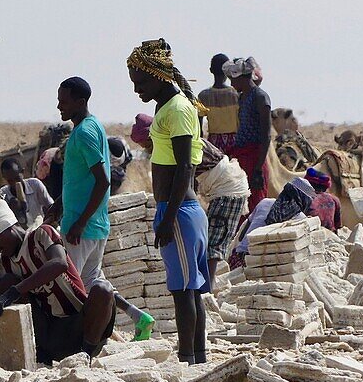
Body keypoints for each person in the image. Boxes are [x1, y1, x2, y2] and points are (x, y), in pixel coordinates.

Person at [127, 39, 211, 364]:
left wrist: (166, 218)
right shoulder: (167, 107)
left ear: (157, 74)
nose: (137, 89)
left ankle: (188, 360)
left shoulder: (176, 109)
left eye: (140, 81)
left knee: (182, 292)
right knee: (189, 290)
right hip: (177, 210)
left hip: (180, 212)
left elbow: (185, 167)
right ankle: (197, 359)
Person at [52, 76, 154, 340]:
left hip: (82, 227)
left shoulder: (85, 133)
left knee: (69, 286)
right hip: (91, 223)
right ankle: (138, 317)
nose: (59, 106)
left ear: (80, 101)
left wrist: (80, 221)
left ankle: (81, 339)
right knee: (93, 282)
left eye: (64, 101)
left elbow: (102, 180)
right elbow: (80, 179)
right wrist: (59, 205)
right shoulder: (92, 125)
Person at [0, 193, 116, 363]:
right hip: (49, 336)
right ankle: (37, 351)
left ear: (8, 227)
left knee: (103, 290)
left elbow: (59, 263)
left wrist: (16, 291)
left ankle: (86, 357)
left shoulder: (42, 235)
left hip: (81, 326)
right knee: (5, 283)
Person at [132, 114, 248, 284]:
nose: (149, 150)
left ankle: (207, 288)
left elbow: (185, 175)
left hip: (229, 189)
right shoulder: (171, 143)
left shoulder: (177, 142)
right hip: (218, 188)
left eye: (149, 145)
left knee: (214, 242)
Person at [223, 56, 271, 212]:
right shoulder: (243, 97)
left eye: (233, 80)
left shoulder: (260, 97)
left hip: (255, 158)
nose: (231, 84)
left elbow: (266, 136)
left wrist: (258, 169)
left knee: (255, 206)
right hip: (243, 157)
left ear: (243, 78)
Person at [0, 157, 54, 229]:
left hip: (39, 229)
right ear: (4, 179)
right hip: (19, 235)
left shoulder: (35, 185)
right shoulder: (3, 195)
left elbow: (51, 206)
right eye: (10, 181)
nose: (14, 183)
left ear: (22, 172)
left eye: (17, 178)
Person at [197, 53, 238, 151]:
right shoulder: (236, 95)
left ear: (211, 70)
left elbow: (198, 127)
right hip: (234, 142)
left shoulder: (203, 96)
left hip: (213, 144)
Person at [305, 167, 342, 232]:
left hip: (312, 237)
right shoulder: (335, 200)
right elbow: (338, 226)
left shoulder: (304, 199)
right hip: (331, 236)